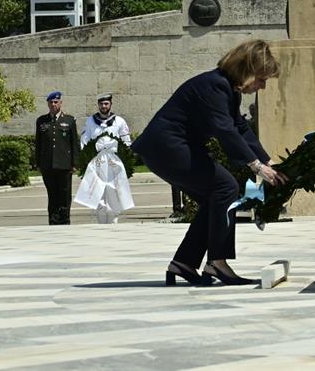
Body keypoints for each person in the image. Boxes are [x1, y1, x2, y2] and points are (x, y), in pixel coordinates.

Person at [132, 40, 286, 286]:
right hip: (167, 147)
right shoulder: (215, 85)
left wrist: (269, 161)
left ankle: (183, 263)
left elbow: (240, 127)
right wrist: (256, 166)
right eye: (261, 79)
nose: (262, 86)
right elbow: (224, 129)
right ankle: (217, 262)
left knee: (216, 198)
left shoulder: (227, 88)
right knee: (226, 188)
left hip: (171, 149)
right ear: (246, 70)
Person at [74, 93, 134, 223]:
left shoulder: (119, 121)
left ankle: (114, 222)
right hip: (97, 163)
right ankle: (101, 222)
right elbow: (84, 141)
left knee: (113, 191)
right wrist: (85, 160)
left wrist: (125, 159)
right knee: (98, 191)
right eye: (101, 104)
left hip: (114, 163)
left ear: (110, 104)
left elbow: (126, 141)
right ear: (98, 105)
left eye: (106, 103)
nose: (103, 106)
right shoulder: (90, 121)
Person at [33, 92, 79, 225]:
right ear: (48, 103)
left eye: (56, 102)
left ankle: (65, 219)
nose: (53, 105)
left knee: (64, 195)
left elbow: (74, 143)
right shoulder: (42, 121)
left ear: (60, 103)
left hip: (64, 165)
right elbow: (38, 143)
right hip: (48, 165)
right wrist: (38, 163)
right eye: (51, 102)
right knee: (52, 194)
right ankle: (53, 220)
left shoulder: (69, 120)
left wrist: (74, 163)